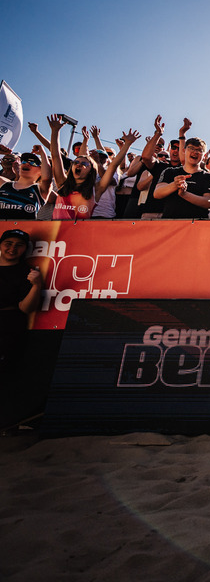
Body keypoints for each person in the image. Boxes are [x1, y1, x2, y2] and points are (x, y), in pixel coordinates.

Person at [48, 115, 137, 220]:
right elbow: (55, 156)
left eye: (84, 164)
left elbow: (113, 165)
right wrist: (55, 131)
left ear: (91, 171)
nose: (79, 164)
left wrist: (127, 145)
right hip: (57, 234)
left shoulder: (95, 190)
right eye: (76, 162)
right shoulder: (63, 184)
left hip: (81, 233)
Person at [1, 228, 44, 425]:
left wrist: (36, 285)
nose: (12, 249)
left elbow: (26, 308)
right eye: (8, 243)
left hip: (9, 324)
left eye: (18, 245)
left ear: (25, 249)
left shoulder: (27, 273)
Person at [154, 136, 210, 219]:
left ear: (204, 155)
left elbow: (209, 202)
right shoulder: (170, 172)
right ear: (184, 150)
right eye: (191, 148)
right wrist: (174, 185)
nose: (195, 152)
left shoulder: (209, 177)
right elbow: (157, 193)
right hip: (170, 224)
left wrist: (184, 194)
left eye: (199, 150)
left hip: (197, 225)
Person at [0, 149, 50, 220]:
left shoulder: (39, 190)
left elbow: (47, 178)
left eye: (33, 163)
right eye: (24, 161)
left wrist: (42, 153)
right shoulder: (4, 184)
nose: (27, 164)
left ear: (41, 171)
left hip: (24, 230)